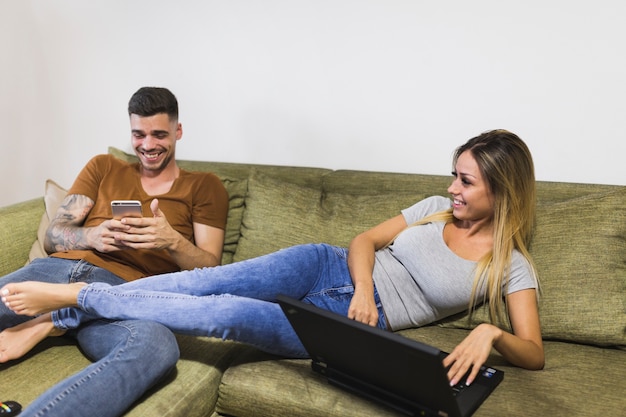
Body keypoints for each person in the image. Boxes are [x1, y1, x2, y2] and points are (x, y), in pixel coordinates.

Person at [1, 129, 544, 394]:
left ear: (502, 191)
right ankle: (74, 299)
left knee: (227, 315)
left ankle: (63, 313)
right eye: (454, 173)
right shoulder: (431, 209)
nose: (451, 188)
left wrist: (489, 333)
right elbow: (362, 240)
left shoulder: (511, 265)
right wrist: (360, 288)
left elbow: (535, 352)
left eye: (466, 181)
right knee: (203, 284)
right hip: (326, 268)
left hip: (342, 326)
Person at [0, 87, 229, 417]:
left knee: (157, 348)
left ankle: (54, 320)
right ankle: (59, 314)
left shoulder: (205, 186)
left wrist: (172, 241)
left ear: (178, 131)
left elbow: (212, 271)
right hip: (52, 276)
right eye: (139, 134)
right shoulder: (103, 167)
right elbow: (53, 236)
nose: (147, 145)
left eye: (159, 134)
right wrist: (92, 235)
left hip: (123, 295)